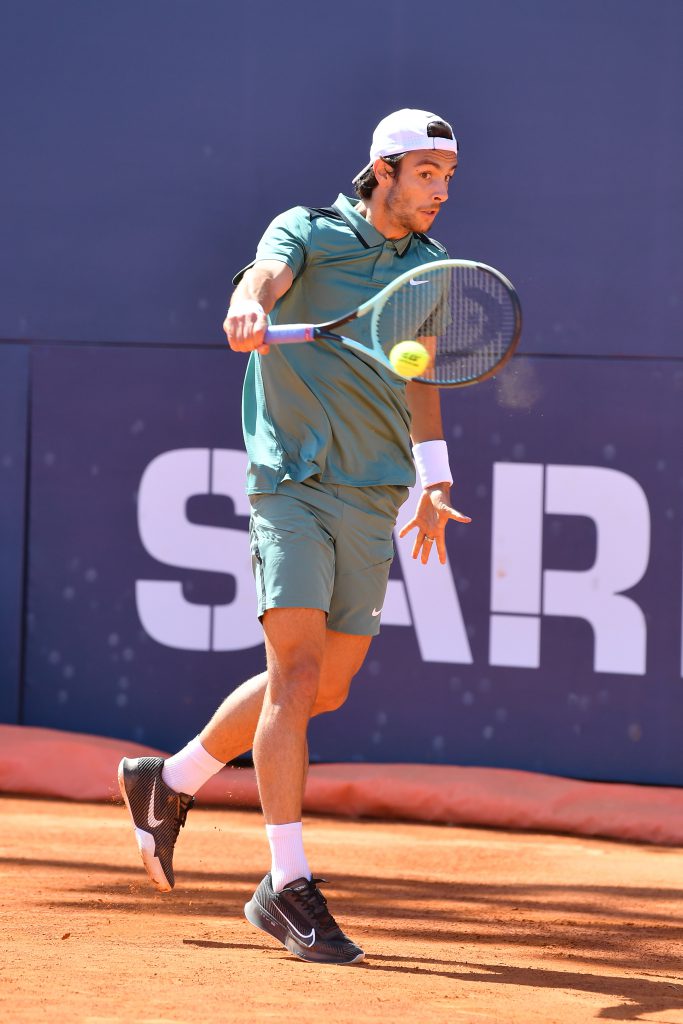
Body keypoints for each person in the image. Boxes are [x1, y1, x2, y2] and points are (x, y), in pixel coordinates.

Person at [119, 108, 470, 966]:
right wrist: (246, 304)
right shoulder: (305, 230)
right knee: (296, 671)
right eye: (425, 173)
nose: (438, 191)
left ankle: (168, 781)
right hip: (292, 483)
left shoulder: (428, 270)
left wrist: (434, 475)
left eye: (447, 178)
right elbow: (266, 279)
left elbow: (417, 377)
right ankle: (286, 883)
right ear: (381, 171)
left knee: (328, 688)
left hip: (373, 489)